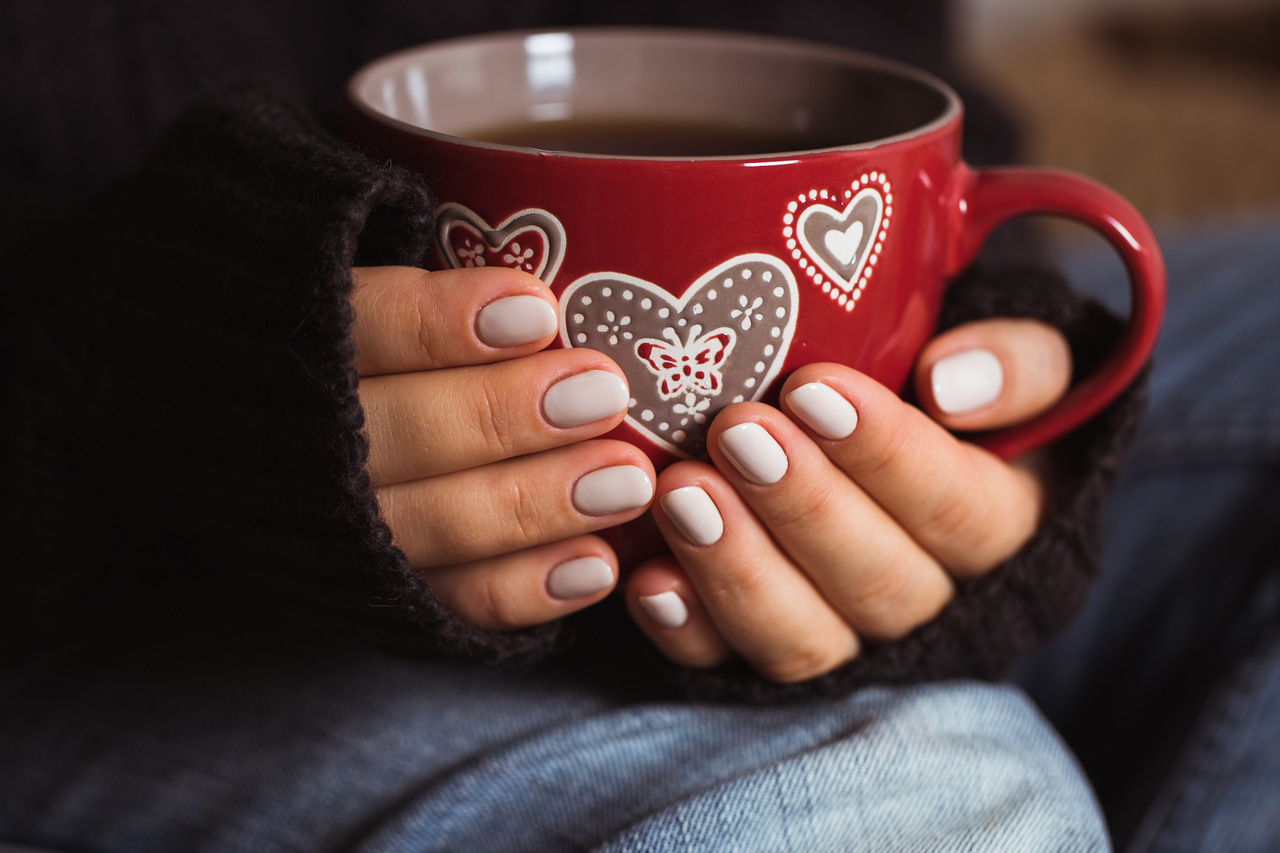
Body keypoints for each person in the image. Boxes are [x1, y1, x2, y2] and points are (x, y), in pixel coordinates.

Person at [0, 1, 1199, 850]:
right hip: (96, 600)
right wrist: (137, 363)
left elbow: (862, 58)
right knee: (921, 803)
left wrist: (947, 343)